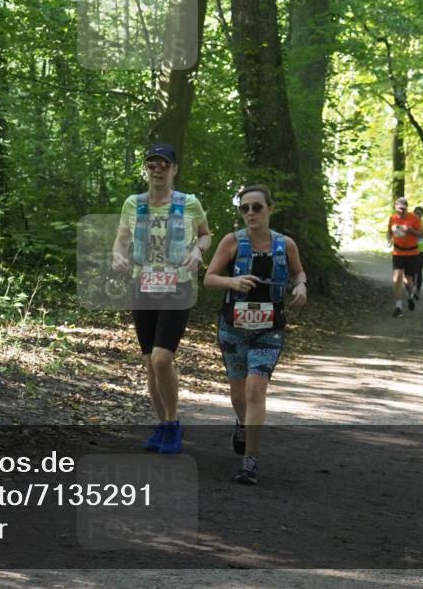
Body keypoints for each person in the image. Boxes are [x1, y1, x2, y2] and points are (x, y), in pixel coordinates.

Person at [203, 185, 307, 484]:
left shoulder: (285, 244)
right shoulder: (231, 242)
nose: (250, 213)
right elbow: (210, 279)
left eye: (257, 207)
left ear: (270, 209)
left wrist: (301, 285)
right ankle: (241, 421)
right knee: (238, 394)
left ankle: (250, 460)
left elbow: (299, 272)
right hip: (233, 328)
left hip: (269, 329)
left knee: (255, 390)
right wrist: (233, 282)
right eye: (244, 208)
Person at [112, 144, 211, 455]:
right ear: (146, 169)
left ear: (174, 169)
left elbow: (206, 233)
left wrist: (198, 250)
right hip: (142, 287)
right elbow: (121, 240)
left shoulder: (189, 203)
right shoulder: (133, 204)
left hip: (177, 287)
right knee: (148, 364)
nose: (158, 169)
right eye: (152, 164)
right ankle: (163, 425)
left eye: (164, 164)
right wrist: (117, 255)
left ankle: (173, 423)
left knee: (161, 358)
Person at [387, 197, 423, 318]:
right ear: (395, 207)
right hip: (398, 252)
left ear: (407, 208)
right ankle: (398, 307)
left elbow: (422, 234)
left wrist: (410, 230)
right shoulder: (393, 218)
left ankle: (411, 296)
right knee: (396, 278)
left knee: (407, 280)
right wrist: (389, 239)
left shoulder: (414, 218)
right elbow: (389, 231)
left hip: (412, 253)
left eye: (404, 208)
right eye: (400, 208)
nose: (402, 211)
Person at [412, 205, 423, 300]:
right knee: (412, 271)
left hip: (422, 250)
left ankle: (417, 290)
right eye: (416, 213)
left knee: (419, 271)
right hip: (412, 249)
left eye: (419, 213)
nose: (417, 215)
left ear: (422, 214)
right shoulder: (410, 222)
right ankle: (412, 288)